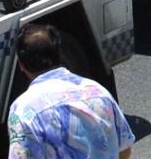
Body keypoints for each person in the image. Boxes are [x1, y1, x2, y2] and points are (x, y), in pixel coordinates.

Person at [8, 24, 135, 159]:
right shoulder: (97, 91)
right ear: (58, 54)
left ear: (21, 65)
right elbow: (124, 148)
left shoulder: (24, 110)